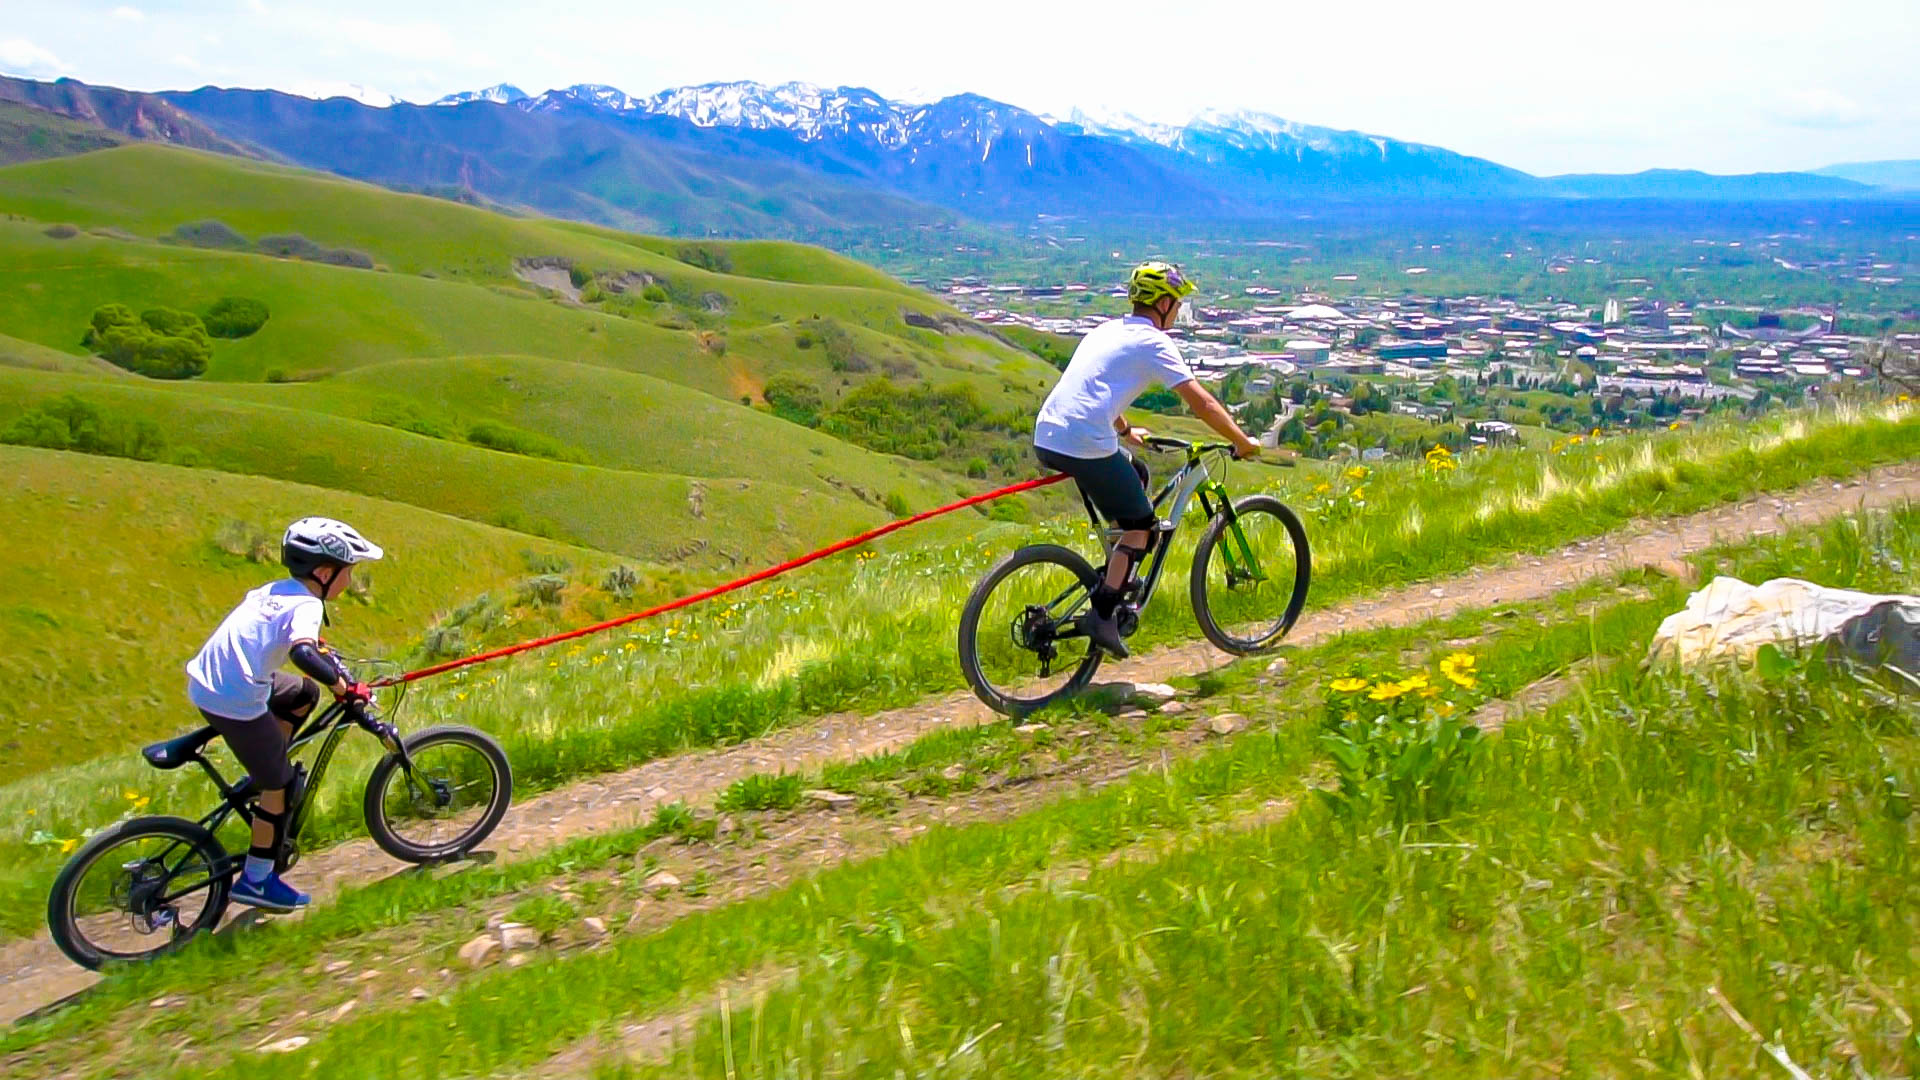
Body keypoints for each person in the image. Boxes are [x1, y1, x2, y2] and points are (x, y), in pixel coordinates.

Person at [1033, 261, 1264, 659]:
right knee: (1144, 527)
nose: (1178, 312)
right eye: (1177, 303)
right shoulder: (1155, 343)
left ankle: (1118, 570)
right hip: (1085, 440)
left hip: (1050, 433)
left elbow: (1094, 386)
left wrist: (1124, 431)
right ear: (1162, 304)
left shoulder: (1108, 329)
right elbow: (1201, 403)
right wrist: (1241, 441)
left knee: (1135, 471)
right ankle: (1103, 614)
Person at [184, 517, 382, 910]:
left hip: (209, 681)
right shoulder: (309, 604)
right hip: (235, 698)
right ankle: (256, 879)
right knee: (280, 787)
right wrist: (344, 688)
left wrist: (327, 660)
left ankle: (267, 763)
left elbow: (295, 640)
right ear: (325, 573)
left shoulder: (274, 591)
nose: (351, 579)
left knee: (301, 693)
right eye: (349, 571)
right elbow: (302, 652)